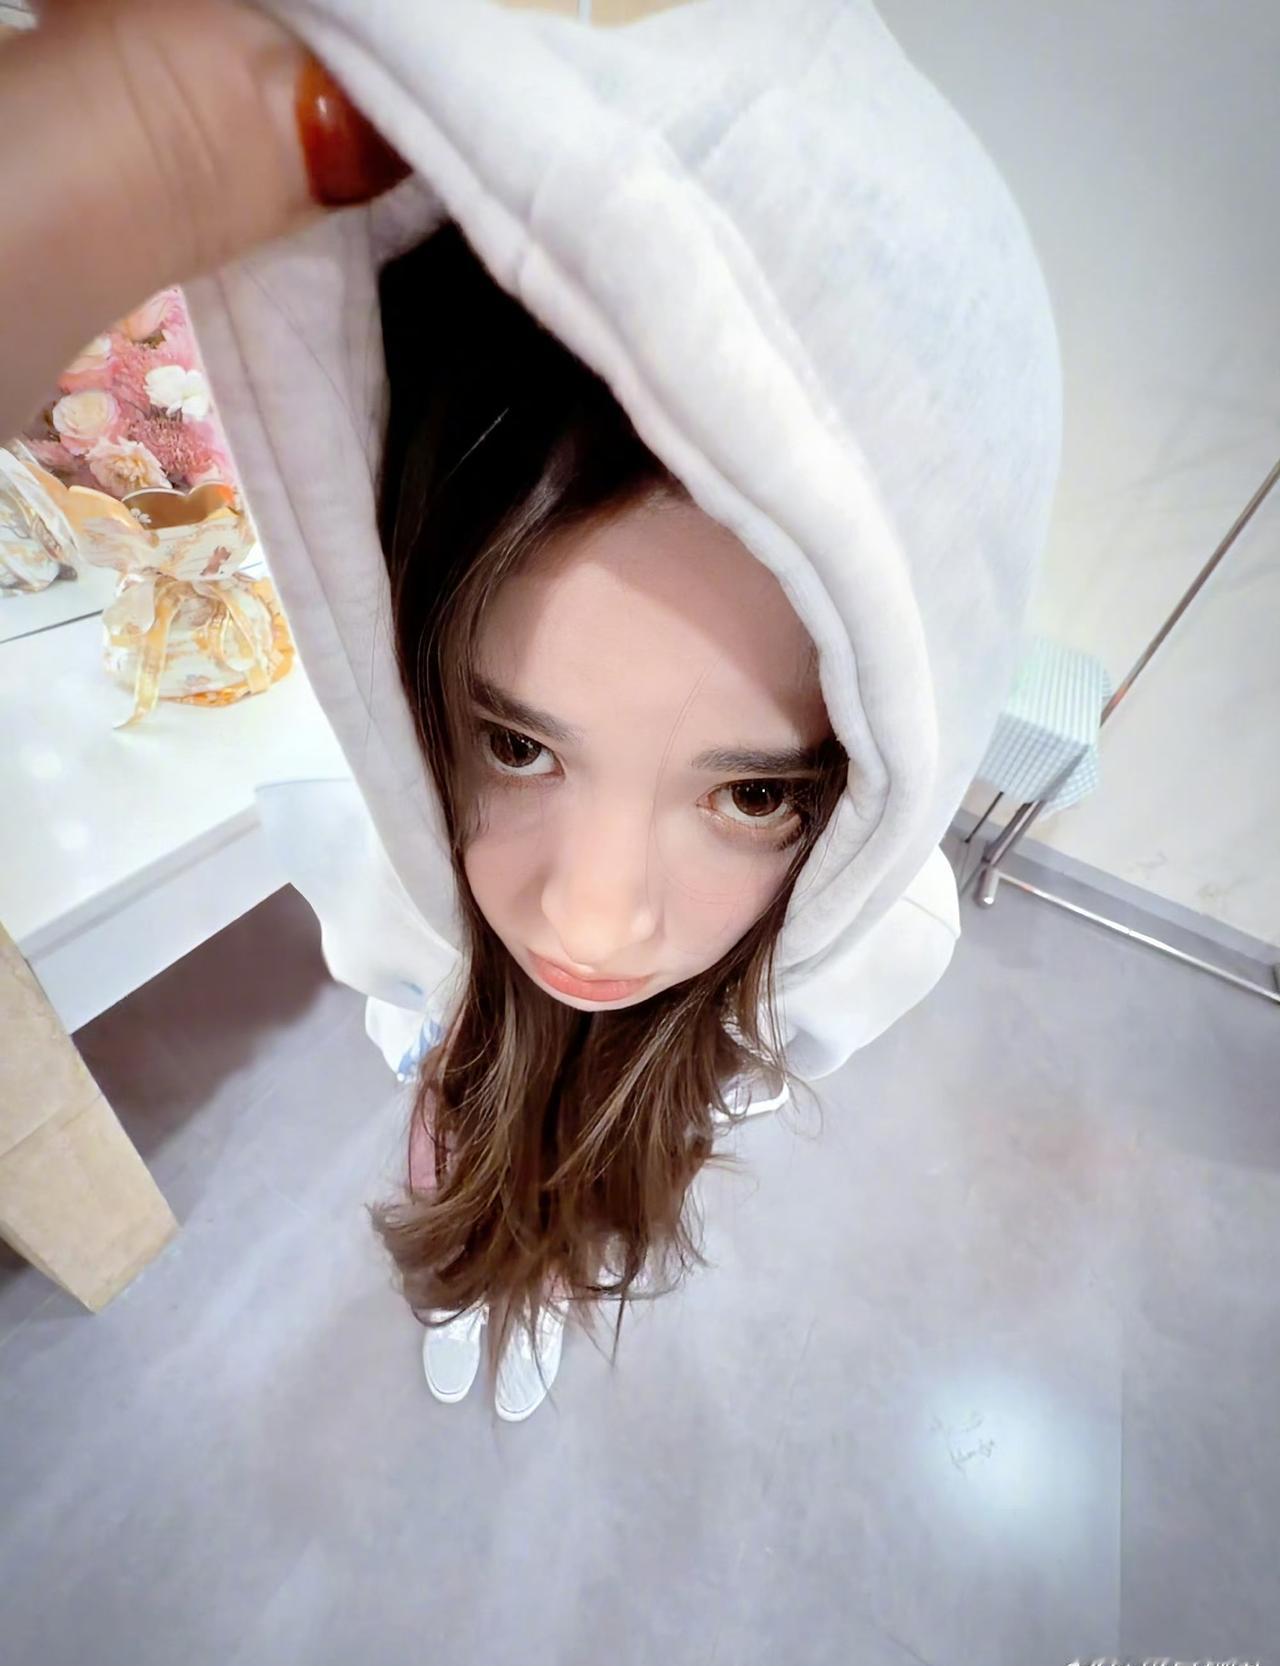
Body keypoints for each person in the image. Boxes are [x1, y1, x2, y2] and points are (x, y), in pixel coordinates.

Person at [2, 0, 1063, 1424]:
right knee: (457, 1161)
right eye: (517, 743)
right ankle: (478, 1280)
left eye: (753, 793)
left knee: (598, 1205)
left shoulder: (876, 946)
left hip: (636, 1152)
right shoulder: (382, 850)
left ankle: (549, 1286)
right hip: (462, 1115)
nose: (591, 924)